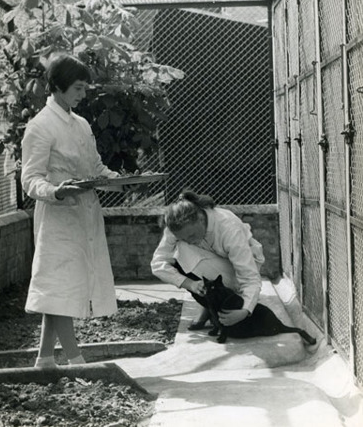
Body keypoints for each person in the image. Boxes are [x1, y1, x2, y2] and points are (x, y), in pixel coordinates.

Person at [21, 53, 123, 368]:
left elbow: (95, 169)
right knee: (59, 285)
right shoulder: (40, 126)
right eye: (78, 88)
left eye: (83, 88)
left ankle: (45, 360)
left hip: (85, 216)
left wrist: (123, 182)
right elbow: (30, 178)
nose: (82, 94)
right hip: (57, 219)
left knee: (61, 286)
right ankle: (77, 361)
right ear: (58, 87)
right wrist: (55, 191)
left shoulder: (80, 124)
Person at [151, 190, 265, 329]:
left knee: (182, 251)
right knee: (179, 249)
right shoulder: (176, 227)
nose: (189, 241)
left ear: (200, 218)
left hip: (241, 268)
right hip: (214, 264)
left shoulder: (228, 227)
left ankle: (220, 303)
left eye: (192, 235)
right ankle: (206, 307)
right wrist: (190, 284)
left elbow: (249, 276)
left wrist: (245, 310)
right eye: (184, 238)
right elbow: (157, 264)